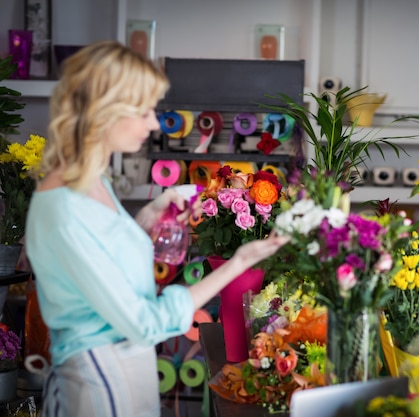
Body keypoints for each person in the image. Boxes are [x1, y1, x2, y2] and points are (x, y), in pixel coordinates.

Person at [24, 40, 289, 417]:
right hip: (98, 383)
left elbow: (103, 258)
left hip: (123, 368)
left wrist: (147, 218)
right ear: (106, 110)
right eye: (145, 110)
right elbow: (145, 323)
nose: (153, 122)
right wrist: (238, 263)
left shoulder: (89, 184)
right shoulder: (64, 207)